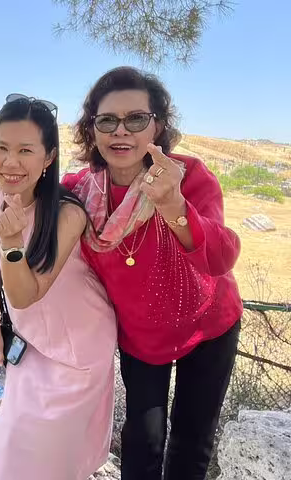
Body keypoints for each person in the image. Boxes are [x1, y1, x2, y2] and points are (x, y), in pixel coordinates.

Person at [62, 66, 243, 480]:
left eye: (136, 119)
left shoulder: (188, 177)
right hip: (141, 336)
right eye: (107, 120)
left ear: (156, 126)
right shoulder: (78, 190)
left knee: (192, 442)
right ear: (92, 131)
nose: (120, 131)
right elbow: (27, 193)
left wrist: (174, 206)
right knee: (143, 442)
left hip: (209, 326)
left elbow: (221, 257)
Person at [0, 94, 117, 480]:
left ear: (49, 158)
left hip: (76, 353)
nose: (11, 162)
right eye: (1, 148)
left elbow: (26, 293)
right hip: (29, 344)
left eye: (26, 150)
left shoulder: (68, 213)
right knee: (8, 459)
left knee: (48, 465)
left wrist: (12, 245)